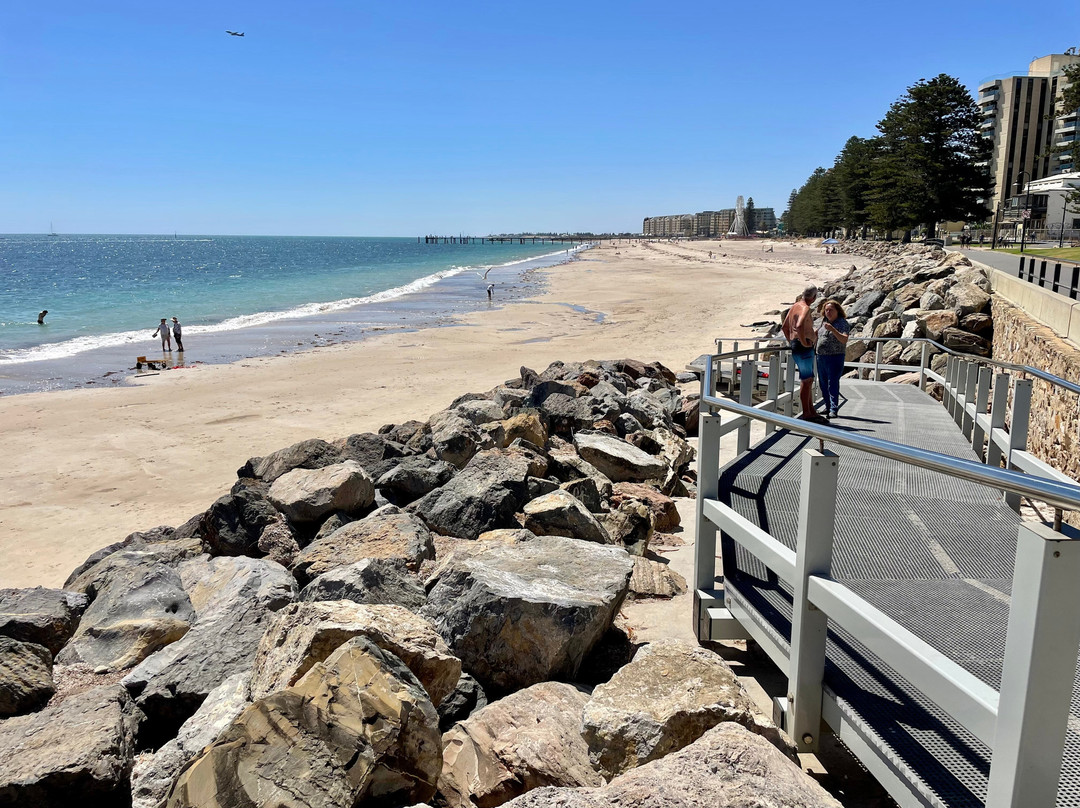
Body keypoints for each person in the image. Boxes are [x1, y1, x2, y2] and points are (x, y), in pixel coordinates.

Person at [782, 285, 824, 422]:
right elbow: (799, 326)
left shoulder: (795, 306)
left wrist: (791, 341)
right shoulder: (805, 308)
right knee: (806, 381)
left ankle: (810, 410)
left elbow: (785, 327)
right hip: (803, 346)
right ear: (814, 297)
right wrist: (804, 342)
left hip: (797, 345)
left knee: (808, 379)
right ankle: (807, 412)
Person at [816, 299, 850, 419]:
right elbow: (817, 335)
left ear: (837, 311)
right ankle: (827, 406)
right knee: (823, 383)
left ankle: (833, 409)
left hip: (835, 357)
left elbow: (844, 339)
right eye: (826, 310)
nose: (828, 312)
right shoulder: (823, 322)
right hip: (821, 357)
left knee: (833, 383)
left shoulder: (842, 323)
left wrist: (833, 330)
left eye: (831, 310)